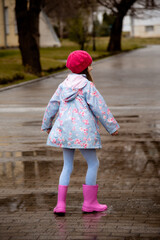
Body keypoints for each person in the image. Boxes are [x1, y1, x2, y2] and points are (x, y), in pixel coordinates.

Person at [41, 50, 120, 214]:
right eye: (90, 64)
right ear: (85, 67)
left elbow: (52, 105)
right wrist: (112, 127)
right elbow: (100, 107)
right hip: (83, 133)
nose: (91, 67)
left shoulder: (63, 85)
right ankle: (90, 203)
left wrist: (47, 124)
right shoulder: (87, 86)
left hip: (65, 131)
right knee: (93, 163)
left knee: (67, 166)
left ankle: (60, 205)